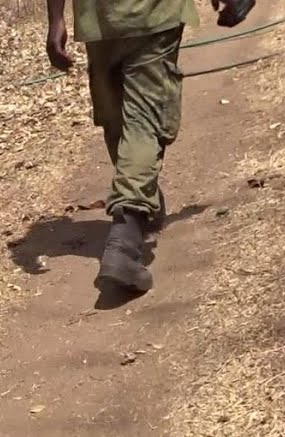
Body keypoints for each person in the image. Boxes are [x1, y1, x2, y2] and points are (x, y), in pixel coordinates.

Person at [47, 0, 232, 294]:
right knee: (138, 120)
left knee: (119, 119)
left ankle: (140, 199)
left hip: (99, 20)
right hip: (150, 14)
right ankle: (126, 237)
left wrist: (56, 19)